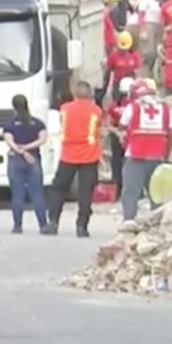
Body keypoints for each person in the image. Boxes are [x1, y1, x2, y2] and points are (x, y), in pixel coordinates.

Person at [47, 80, 103, 237]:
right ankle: (82, 227)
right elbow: (98, 128)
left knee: (58, 189)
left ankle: (53, 222)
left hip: (68, 155)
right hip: (89, 156)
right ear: (90, 94)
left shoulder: (64, 109)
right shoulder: (96, 111)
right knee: (85, 193)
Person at [119, 79, 172, 222]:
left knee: (131, 192)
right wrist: (166, 156)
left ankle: (129, 221)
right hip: (157, 156)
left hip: (136, 156)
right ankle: (157, 223)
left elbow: (122, 128)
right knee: (157, 193)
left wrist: (126, 144)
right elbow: (171, 133)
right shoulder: (165, 107)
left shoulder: (133, 107)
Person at [3, 94, 50, 234]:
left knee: (17, 193)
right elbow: (43, 139)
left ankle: (17, 226)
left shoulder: (10, 124)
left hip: (15, 159)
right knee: (37, 193)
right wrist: (28, 149)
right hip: (34, 158)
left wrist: (21, 150)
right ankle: (43, 225)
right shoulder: (37, 123)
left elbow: (9, 141)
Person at [106, 77, 134, 200]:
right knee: (131, 164)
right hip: (131, 138)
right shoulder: (134, 105)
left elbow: (108, 124)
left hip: (117, 137)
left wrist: (117, 132)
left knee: (116, 164)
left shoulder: (114, 105)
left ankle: (117, 190)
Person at [137, 0, 167, 77]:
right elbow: (141, 16)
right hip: (148, 26)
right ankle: (142, 75)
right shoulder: (146, 1)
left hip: (157, 27)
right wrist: (142, 30)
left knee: (155, 54)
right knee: (148, 53)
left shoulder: (160, 3)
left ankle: (150, 75)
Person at [105, 31, 141, 101]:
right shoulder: (113, 56)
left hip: (130, 84)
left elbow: (138, 71)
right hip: (118, 83)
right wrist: (106, 83)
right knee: (117, 102)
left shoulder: (135, 56)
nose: (123, 50)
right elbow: (108, 70)